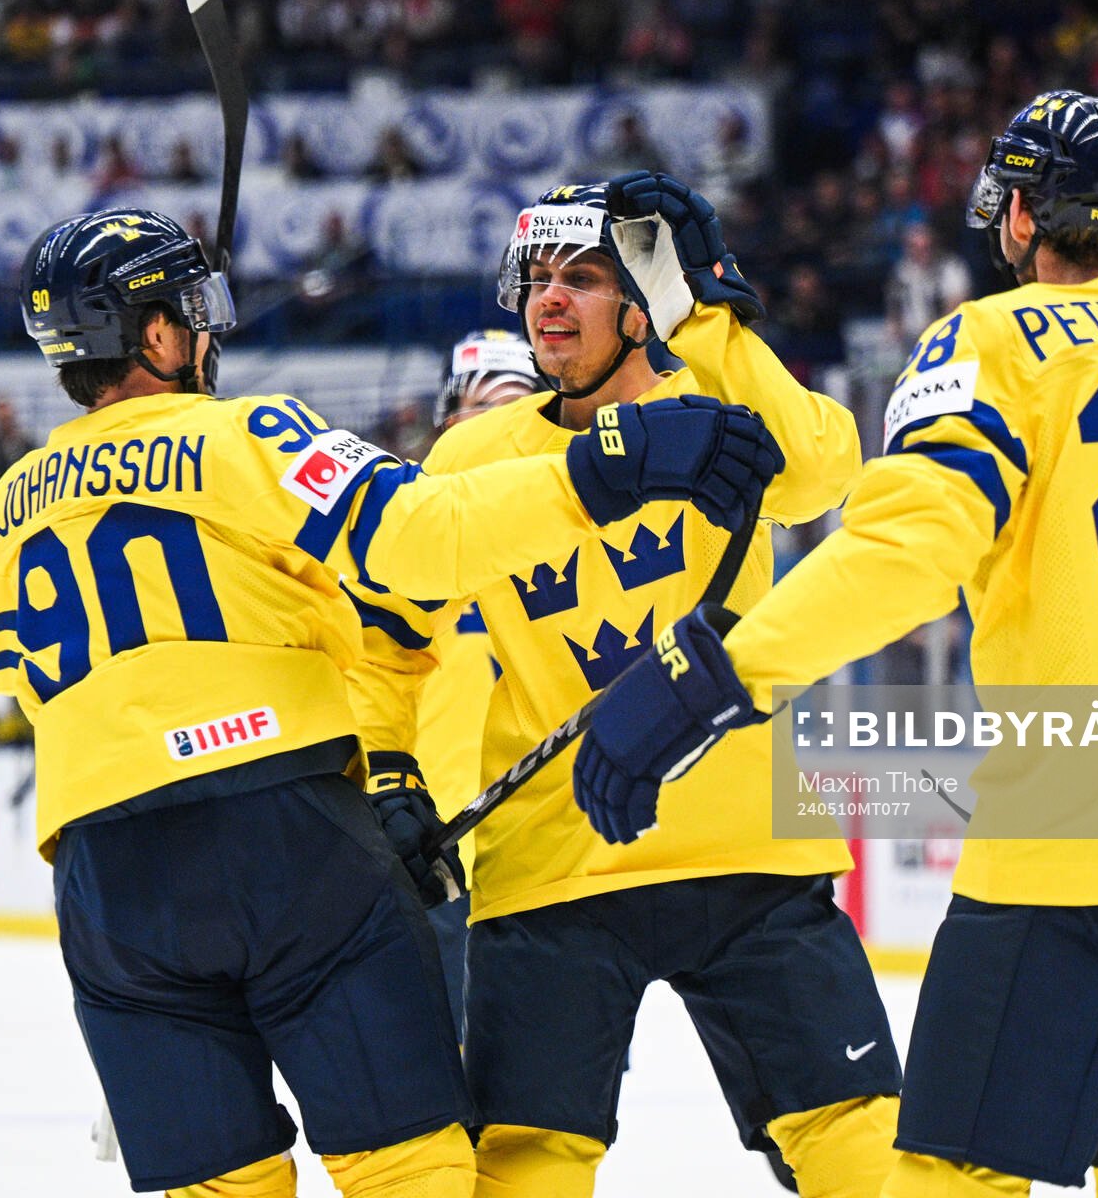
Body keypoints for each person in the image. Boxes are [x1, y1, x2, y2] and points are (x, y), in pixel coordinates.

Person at [571, 92, 1098, 1198]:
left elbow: (905, 555)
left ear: (1025, 215)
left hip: (1091, 822)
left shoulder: (993, 340)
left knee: (955, 1174)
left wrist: (715, 677)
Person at [0, 207, 779, 1198]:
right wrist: (608, 466)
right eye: (191, 312)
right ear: (159, 335)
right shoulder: (251, 434)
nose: (207, 328)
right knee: (409, 1165)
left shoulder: (5, 509)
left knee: (222, 1185)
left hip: (107, 876)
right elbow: (422, 535)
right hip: (283, 828)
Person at [346, 176, 900, 1198]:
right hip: (553, 864)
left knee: (856, 1133)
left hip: (743, 849)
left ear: (643, 305)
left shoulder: (719, 409)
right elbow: (387, 632)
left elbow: (824, 472)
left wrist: (712, 306)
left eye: (586, 277)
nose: (549, 299)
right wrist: (388, 771)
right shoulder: (471, 453)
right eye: (538, 278)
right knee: (526, 1162)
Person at [397, 329, 546, 1039]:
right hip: (440, 845)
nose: (495, 432)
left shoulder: (579, 528)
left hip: (542, 847)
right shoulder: (405, 531)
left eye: (515, 410)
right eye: (480, 412)